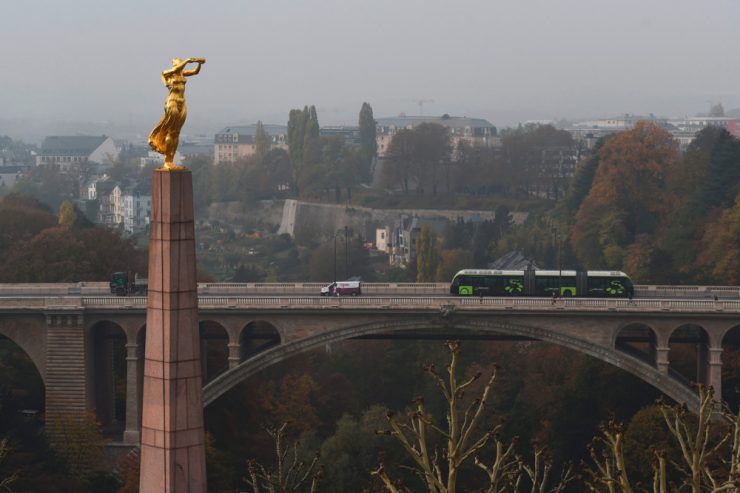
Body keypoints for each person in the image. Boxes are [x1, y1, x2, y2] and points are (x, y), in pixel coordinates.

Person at [149, 57, 206, 168]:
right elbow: (175, 70)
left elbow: (195, 72)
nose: (179, 66)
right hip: (172, 102)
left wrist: (199, 63)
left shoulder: (182, 74)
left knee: (176, 132)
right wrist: (188, 60)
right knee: (171, 131)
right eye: (177, 64)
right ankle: (167, 160)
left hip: (182, 103)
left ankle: (171, 159)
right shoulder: (167, 73)